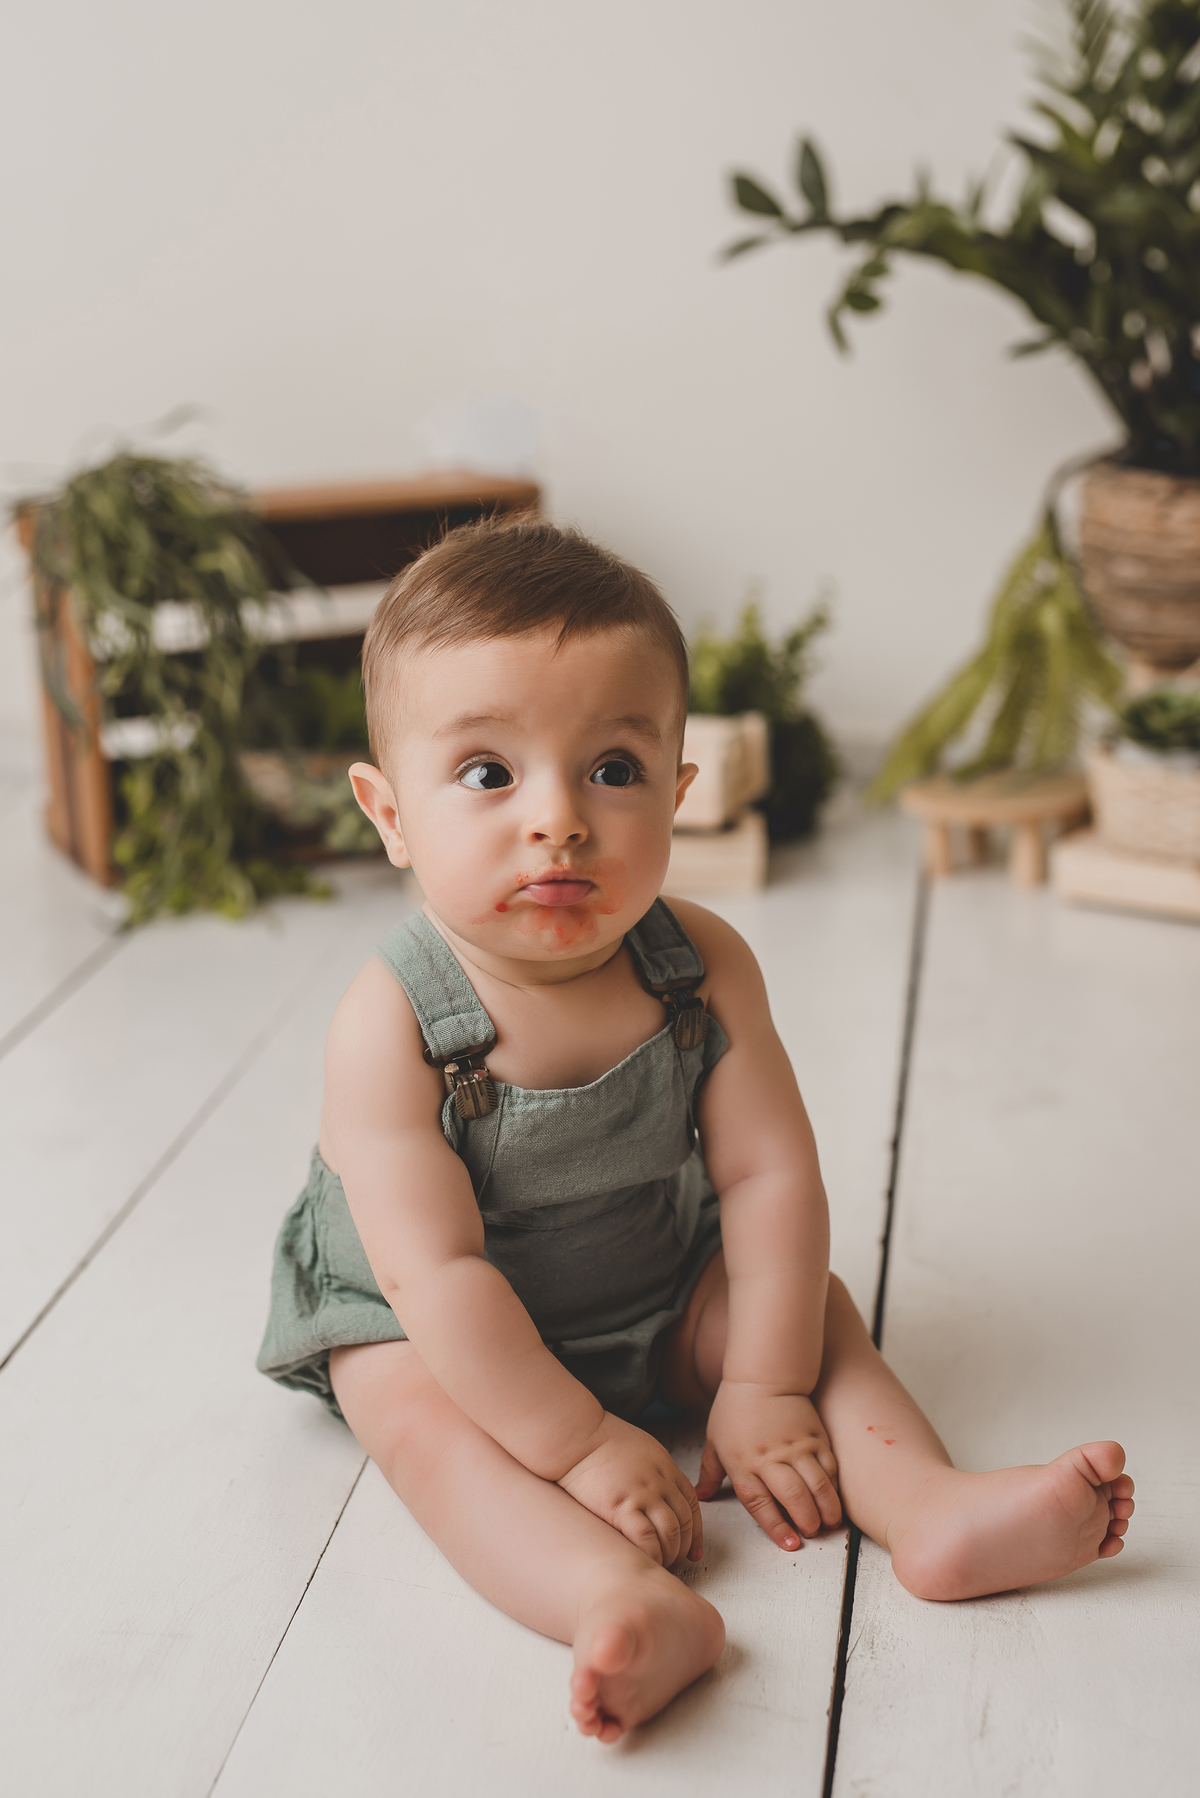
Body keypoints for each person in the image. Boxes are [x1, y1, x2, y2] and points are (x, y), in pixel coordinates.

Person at [257, 519, 1134, 1743]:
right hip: (442, 1330)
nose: (558, 818)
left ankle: (928, 1508)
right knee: (410, 1413)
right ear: (389, 810)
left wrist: (765, 1382)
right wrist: (580, 1447)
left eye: (612, 769)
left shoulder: (700, 965)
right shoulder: (390, 1021)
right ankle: (610, 1598)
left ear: (677, 791)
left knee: (806, 1302)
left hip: (652, 1286)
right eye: (489, 773)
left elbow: (771, 1173)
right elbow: (439, 1273)